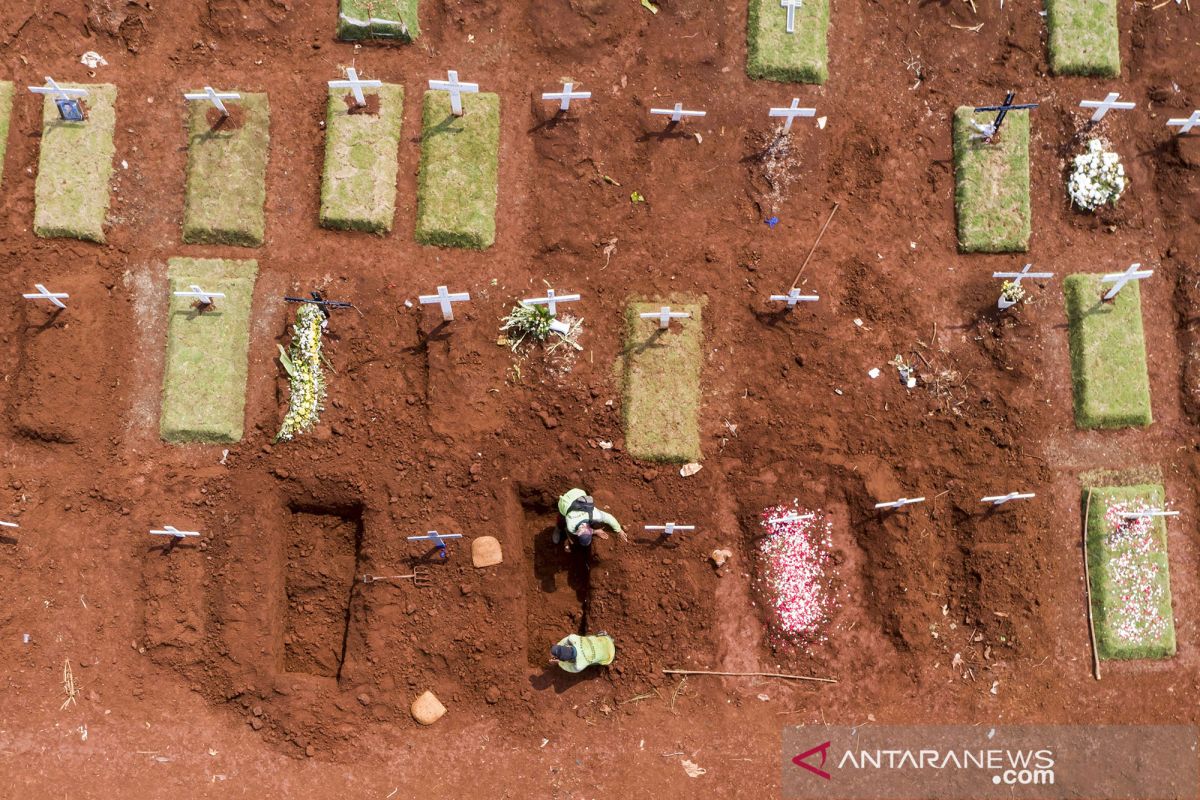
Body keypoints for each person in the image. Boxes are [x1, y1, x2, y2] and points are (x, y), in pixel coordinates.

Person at [555, 488, 626, 550]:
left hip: (574, 496)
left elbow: (609, 518)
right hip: (570, 501)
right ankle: (558, 529)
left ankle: (558, 528)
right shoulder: (571, 525)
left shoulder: (595, 515)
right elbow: (573, 532)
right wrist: (596, 531)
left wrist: (619, 530)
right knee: (561, 519)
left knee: (563, 517)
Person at [550, 632, 615, 673]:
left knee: (589, 662)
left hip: (610, 656)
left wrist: (559, 662)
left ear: (567, 660)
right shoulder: (573, 638)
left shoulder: (579, 665)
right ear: (568, 646)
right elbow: (563, 642)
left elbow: (568, 667)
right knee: (585, 638)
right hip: (607, 640)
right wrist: (558, 648)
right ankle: (601, 636)